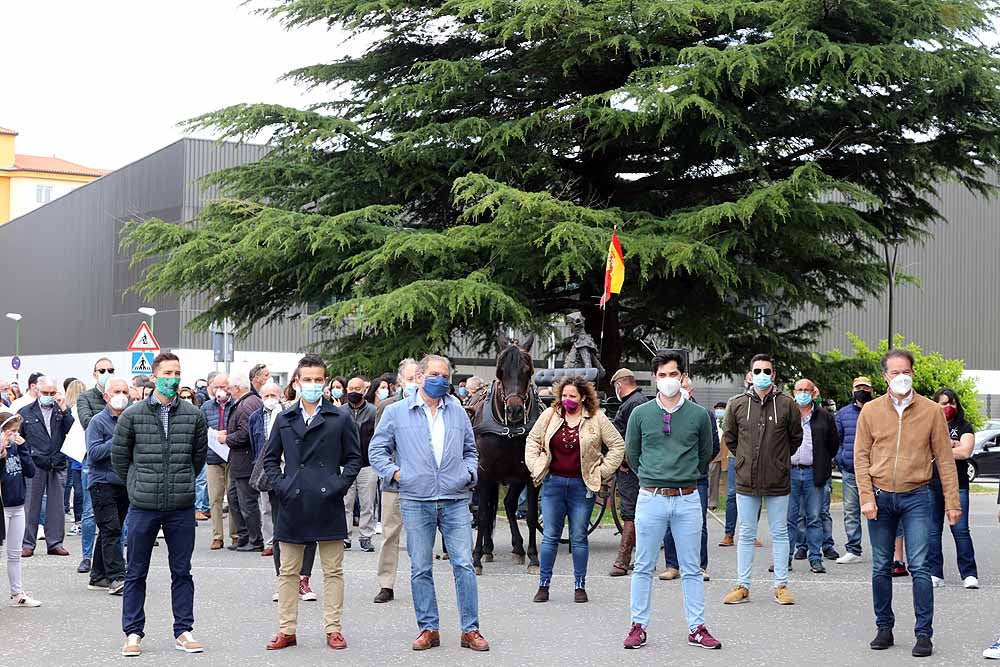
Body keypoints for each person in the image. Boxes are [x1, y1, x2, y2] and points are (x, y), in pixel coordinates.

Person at [369, 354, 489, 652]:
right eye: (434, 374)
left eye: (445, 376)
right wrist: (396, 474)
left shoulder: (458, 411)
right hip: (415, 498)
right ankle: (428, 628)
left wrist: (468, 473)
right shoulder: (396, 412)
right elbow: (377, 450)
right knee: (421, 567)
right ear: (420, 377)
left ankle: (470, 629)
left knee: (463, 565)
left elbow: (470, 450)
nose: (441, 380)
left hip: (454, 499)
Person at [855, 349, 961, 658]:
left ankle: (923, 633)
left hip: (917, 497)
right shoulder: (871, 411)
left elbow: (944, 459)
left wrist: (952, 502)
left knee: (919, 565)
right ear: (885, 376)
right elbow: (861, 457)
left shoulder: (930, 411)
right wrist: (865, 497)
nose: (902, 377)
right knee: (880, 567)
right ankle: (884, 627)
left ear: (912, 373)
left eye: (907, 372)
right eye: (895, 373)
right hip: (880, 497)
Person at [261, 354, 362, 651]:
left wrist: (339, 485)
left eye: (319, 380)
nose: (313, 385)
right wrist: (283, 486)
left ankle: (333, 628)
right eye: (308, 380)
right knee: (289, 570)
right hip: (293, 502)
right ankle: (287, 629)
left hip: (327, 500)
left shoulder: (340, 417)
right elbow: (269, 459)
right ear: (297, 382)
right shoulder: (285, 417)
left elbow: (355, 458)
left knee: (332, 570)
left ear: (326, 383)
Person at [112, 352, 208, 657]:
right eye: (167, 373)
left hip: (180, 505)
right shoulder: (133, 415)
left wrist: (181, 482)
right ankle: (133, 632)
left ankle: (184, 630)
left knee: (182, 571)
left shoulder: (193, 415)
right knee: (136, 571)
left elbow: (198, 457)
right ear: (155, 376)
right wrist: (136, 485)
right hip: (143, 505)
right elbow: (120, 457)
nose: (173, 378)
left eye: (177, 373)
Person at [622, 351, 720, 650]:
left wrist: (683, 474)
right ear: (655, 378)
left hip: (688, 497)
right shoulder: (640, 414)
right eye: (662, 375)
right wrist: (654, 477)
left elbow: (706, 452)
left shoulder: (699, 415)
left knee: (691, 568)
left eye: (673, 374)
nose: (667, 380)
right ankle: (638, 625)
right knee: (643, 565)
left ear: (683, 377)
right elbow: (633, 454)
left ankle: (697, 627)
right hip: (651, 497)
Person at [526, 375, 624, 602]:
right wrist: (536, 465)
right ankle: (543, 585)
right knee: (550, 536)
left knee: (579, 536)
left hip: (583, 485)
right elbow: (532, 440)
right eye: (564, 395)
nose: (567, 399)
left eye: (572, 396)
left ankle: (580, 586)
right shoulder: (550, 415)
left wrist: (601, 472)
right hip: (553, 483)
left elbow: (617, 445)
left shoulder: (597, 418)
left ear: (583, 398)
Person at [721, 354, 802, 606]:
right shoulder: (736, 404)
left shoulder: (788, 404)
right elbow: (730, 438)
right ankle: (742, 585)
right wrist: (745, 459)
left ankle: (781, 585)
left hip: (778, 478)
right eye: (757, 370)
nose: (762, 374)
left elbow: (795, 438)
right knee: (746, 532)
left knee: (780, 532)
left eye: (767, 370)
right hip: (747, 477)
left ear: (774, 374)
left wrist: (778, 460)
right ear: (750, 374)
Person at [659, 376, 718, 581]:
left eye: (683, 386)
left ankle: (699, 565)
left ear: (690, 391)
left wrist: (695, 467)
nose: (677, 388)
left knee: (698, 524)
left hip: (696, 478)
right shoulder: (662, 413)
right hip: (668, 478)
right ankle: (672, 565)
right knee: (668, 522)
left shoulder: (703, 415)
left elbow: (712, 447)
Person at [372, 358, 419, 604]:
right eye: (409, 379)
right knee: (390, 535)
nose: (413, 383)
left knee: (419, 537)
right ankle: (386, 584)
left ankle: (419, 580)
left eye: (416, 378)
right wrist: (392, 471)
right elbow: (379, 445)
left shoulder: (428, 406)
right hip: (394, 483)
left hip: (421, 486)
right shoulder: (388, 407)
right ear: (400, 381)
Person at [785, 378, 839, 575]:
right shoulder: (787, 414)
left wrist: (823, 461)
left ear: (813, 392)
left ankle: (815, 559)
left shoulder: (824, 416)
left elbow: (833, 444)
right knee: (790, 518)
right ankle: (785, 559)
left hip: (813, 473)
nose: (803, 393)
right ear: (794, 392)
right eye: (799, 389)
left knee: (814, 517)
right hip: (789, 472)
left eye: (807, 390)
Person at [18, 376, 74, 557]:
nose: (48, 396)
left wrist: (64, 409)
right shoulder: (25, 412)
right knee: (30, 505)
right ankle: (27, 543)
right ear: (37, 391)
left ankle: (55, 542)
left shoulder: (61, 411)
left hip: (57, 462)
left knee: (57, 506)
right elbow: (17, 437)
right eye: (45, 393)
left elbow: (72, 431)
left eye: (52, 393)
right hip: (34, 463)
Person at [85, 378, 131, 595]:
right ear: (106, 396)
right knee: (111, 529)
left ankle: (98, 575)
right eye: (116, 391)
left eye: (124, 391)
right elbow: (93, 453)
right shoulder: (97, 422)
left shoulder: (131, 420)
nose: (121, 395)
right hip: (102, 483)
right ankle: (117, 577)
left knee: (111, 529)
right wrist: (118, 440)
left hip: (124, 483)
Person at [928, 388, 977, 589]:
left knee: (961, 530)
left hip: (958, 485)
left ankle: (969, 574)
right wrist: (950, 445)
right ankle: (934, 573)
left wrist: (940, 448)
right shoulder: (929, 424)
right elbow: (923, 448)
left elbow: (965, 452)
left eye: (952, 403)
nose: (948, 407)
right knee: (932, 531)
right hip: (932, 484)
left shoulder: (964, 426)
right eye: (943, 403)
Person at [608, 368, 647, 577]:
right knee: (634, 511)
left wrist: (624, 459)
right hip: (632, 464)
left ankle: (622, 561)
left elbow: (634, 437)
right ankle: (641, 558)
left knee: (630, 511)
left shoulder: (633, 404)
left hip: (630, 468)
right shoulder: (638, 401)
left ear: (619, 385)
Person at [1, 411, 41, 606]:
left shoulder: (17, 448)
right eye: (11, 431)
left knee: (15, 553)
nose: (14, 435)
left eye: (16, 431)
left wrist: (23, 447)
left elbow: (31, 471)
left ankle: (18, 593)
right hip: (3, 506)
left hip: (17, 505)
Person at [834, 376, 874, 565]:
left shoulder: (879, 411)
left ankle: (883, 550)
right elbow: (837, 440)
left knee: (878, 511)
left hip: (875, 471)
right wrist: (840, 459)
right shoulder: (842, 414)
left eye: (866, 388)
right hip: (850, 470)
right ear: (852, 391)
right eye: (859, 388)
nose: (862, 391)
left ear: (871, 391)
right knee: (850, 510)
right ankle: (853, 549)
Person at [225, 374, 265, 552]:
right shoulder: (248, 402)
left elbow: (246, 434)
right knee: (235, 499)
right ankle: (244, 536)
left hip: (245, 461)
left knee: (247, 502)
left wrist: (226, 438)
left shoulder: (246, 404)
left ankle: (254, 539)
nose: (227, 391)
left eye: (229, 387)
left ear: (236, 388)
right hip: (240, 461)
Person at [201, 372, 240, 550]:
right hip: (213, 457)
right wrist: (214, 435)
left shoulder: (237, 405)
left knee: (233, 497)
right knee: (214, 498)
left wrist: (229, 437)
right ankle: (217, 536)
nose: (219, 391)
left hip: (232, 456)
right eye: (216, 387)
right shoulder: (206, 407)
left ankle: (235, 534)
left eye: (223, 387)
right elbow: (201, 430)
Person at [343, 376, 377, 553]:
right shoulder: (340, 412)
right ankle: (344, 536)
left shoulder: (374, 412)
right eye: (351, 389)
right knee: (344, 502)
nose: (353, 392)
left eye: (357, 389)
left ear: (364, 390)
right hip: (345, 464)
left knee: (367, 503)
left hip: (368, 465)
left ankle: (366, 537)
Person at [250, 381, 282, 558]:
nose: (270, 399)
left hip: (282, 465)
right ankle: (269, 542)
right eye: (266, 396)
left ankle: (284, 539)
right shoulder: (255, 417)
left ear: (280, 397)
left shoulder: (285, 414)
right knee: (266, 507)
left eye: (273, 395)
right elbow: (254, 442)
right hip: (263, 466)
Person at [77, 358, 114, 429]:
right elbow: (86, 422)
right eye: (102, 371)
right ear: (95, 375)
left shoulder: (121, 394)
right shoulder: (85, 397)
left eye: (110, 371)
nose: (107, 373)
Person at [707, 402, 727, 509]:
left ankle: (716, 502)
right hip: (714, 452)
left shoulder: (728, 422)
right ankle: (709, 501)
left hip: (725, 453)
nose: (719, 410)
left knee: (722, 478)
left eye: (721, 408)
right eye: (717, 408)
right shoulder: (712, 421)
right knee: (711, 478)